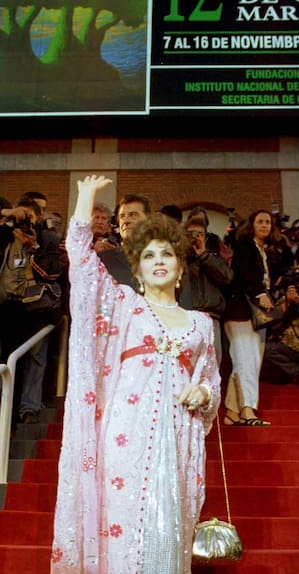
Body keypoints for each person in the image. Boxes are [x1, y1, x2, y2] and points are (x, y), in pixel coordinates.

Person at [51, 175, 220, 574]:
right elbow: (81, 258)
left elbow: (210, 379)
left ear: (180, 266)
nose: (158, 260)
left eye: (166, 254)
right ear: (138, 268)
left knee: (168, 530)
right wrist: (86, 198)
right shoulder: (124, 304)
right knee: (122, 522)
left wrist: (204, 394)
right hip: (125, 432)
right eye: (148, 255)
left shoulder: (200, 323)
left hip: (178, 435)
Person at [0, 198, 63, 425]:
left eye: (30, 217)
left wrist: (33, 248)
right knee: (7, 358)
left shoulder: (48, 239)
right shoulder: (5, 236)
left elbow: (53, 272)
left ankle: (28, 408)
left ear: (39, 218)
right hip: (8, 307)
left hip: (36, 309)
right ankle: (6, 409)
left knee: (35, 357)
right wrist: (6, 215)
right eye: (21, 216)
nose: (25, 222)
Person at [222, 209, 275, 426]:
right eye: (260, 221)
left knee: (251, 360)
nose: (264, 225)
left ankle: (233, 412)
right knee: (246, 360)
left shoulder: (266, 250)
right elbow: (243, 273)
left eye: (268, 222)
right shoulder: (244, 245)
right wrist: (260, 292)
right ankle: (247, 410)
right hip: (241, 310)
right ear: (252, 224)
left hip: (258, 313)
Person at [179, 216, 233, 366]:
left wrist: (204, 255)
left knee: (213, 363)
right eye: (191, 234)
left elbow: (227, 277)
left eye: (200, 234)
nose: (196, 238)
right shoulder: (178, 256)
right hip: (185, 316)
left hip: (210, 315)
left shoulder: (212, 256)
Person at [97, 192, 152, 289]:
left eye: (133, 215)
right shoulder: (102, 260)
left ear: (149, 220)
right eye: (122, 216)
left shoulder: (166, 258)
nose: (126, 221)